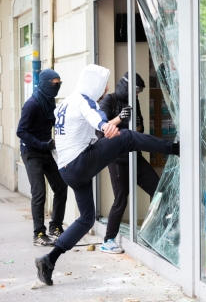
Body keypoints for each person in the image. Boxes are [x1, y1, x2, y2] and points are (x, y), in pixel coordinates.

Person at [34, 64, 179, 286]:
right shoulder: (82, 101)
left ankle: (49, 260)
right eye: (103, 85)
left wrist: (103, 122)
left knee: (86, 219)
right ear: (94, 84)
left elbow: (87, 115)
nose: (106, 88)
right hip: (78, 163)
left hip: (67, 170)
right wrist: (104, 124)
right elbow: (94, 116)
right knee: (127, 137)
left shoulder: (66, 103)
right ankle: (175, 149)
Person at [98, 72, 160, 254]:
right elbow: (101, 130)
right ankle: (108, 239)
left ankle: (156, 232)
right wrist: (120, 118)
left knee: (157, 191)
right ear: (127, 87)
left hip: (134, 155)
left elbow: (140, 129)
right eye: (137, 89)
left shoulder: (134, 102)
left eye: (140, 90)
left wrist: (137, 122)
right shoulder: (109, 100)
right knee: (120, 199)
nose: (138, 93)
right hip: (117, 159)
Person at [17, 69, 68, 246]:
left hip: (46, 150)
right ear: (45, 83)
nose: (57, 87)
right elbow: (21, 131)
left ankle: (56, 227)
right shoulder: (32, 104)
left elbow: (54, 122)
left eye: (59, 84)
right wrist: (41, 144)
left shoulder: (49, 102)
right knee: (39, 192)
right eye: (55, 84)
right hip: (31, 153)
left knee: (61, 186)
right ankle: (39, 234)